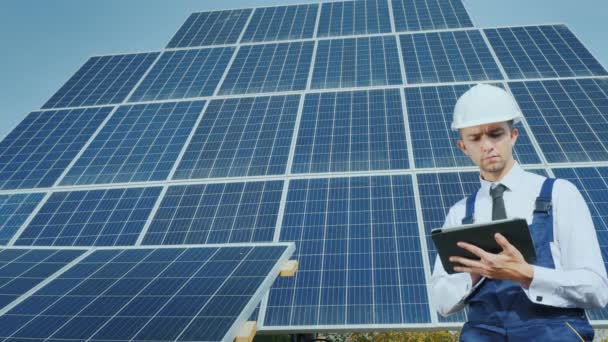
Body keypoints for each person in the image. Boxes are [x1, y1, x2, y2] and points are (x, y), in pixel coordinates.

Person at [429, 84, 608, 341]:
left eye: (495, 134)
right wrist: (475, 272)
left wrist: (527, 274)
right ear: (463, 146)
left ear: (513, 135)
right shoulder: (459, 213)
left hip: (552, 332)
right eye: (475, 138)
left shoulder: (559, 195)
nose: (487, 145)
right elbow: (441, 301)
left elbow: (598, 289)